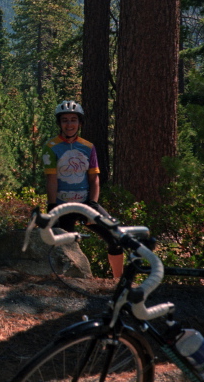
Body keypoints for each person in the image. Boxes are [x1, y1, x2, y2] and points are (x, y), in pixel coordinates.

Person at [42, 100, 124, 278]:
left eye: (73, 120)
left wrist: (93, 203)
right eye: (65, 120)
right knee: (65, 249)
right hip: (63, 206)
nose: (69, 124)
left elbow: (94, 179)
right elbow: (52, 180)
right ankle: (69, 285)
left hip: (86, 203)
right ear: (59, 123)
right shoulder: (51, 147)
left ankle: (119, 282)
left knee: (115, 238)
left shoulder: (88, 147)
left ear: (80, 123)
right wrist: (52, 206)